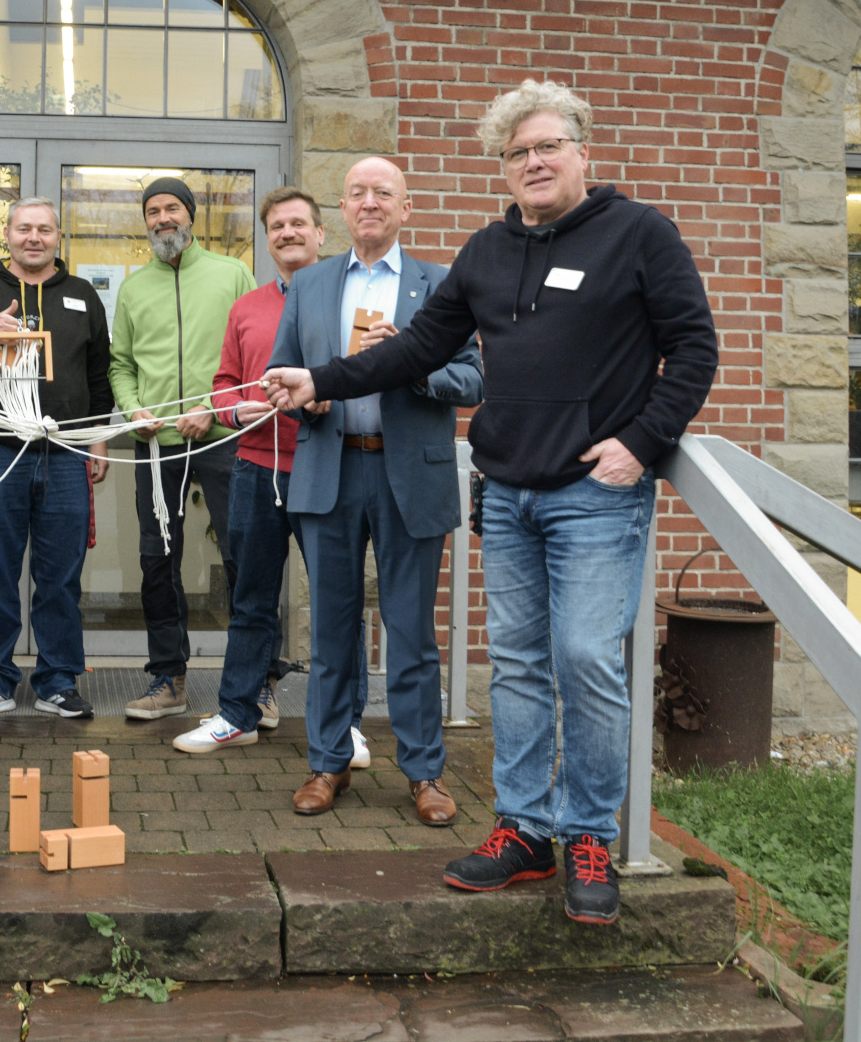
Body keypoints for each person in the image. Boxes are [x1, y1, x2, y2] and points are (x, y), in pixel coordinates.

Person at [265, 79, 718, 925]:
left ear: (583, 151)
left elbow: (695, 347)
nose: (535, 162)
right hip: (506, 493)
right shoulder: (485, 251)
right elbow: (414, 353)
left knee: (586, 658)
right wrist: (319, 378)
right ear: (503, 168)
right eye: (518, 153)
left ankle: (587, 834)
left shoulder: (640, 234)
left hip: (595, 492)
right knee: (514, 666)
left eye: (549, 146)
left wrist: (643, 441)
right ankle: (523, 831)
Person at [249, 160, 482, 836]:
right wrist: (309, 395)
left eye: (384, 193)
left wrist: (412, 365)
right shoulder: (313, 283)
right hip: (331, 471)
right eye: (358, 194)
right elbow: (279, 375)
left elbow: (472, 380)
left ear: (406, 208)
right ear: (342, 212)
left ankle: (424, 773)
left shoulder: (439, 284)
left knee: (411, 634)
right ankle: (328, 762)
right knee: (330, 631)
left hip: (409, 475)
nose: (370, 203)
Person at [174, 186, 364, 758]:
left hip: (328, 468)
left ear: (320, 233)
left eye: (298, 224)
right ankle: (238, 713)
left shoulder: (350, 299)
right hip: (257, 469)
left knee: (337, 599)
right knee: (251, 597)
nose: (287, 234)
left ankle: (344, 725)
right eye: (277, 226)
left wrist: (332, 392)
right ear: (268, 237)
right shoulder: (248, 307)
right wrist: (237, 409)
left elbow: (371, 375)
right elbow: (223, 386)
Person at [0, 197, 113, 719]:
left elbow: (98, 379)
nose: (33, 237)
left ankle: (58, 680)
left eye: (44, 229)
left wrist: (97, 440)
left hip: (64, 455)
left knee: (61, 575)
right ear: (8, 235)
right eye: (24, 229)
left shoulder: (82, 295)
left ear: (59, 237)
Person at [109, 177, 256, 720]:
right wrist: (133, 410)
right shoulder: (132, 288)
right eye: (153, 210)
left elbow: (254, 353)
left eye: (172, 207)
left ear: (190, 216)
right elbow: (121, 365)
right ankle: (167, 679)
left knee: (245, 554)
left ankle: (258, 681)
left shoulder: (233, 273)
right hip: (155, 446)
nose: (162, 217)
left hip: (224, 439)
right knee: (157, 560)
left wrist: (216, 409)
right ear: (145, 221)